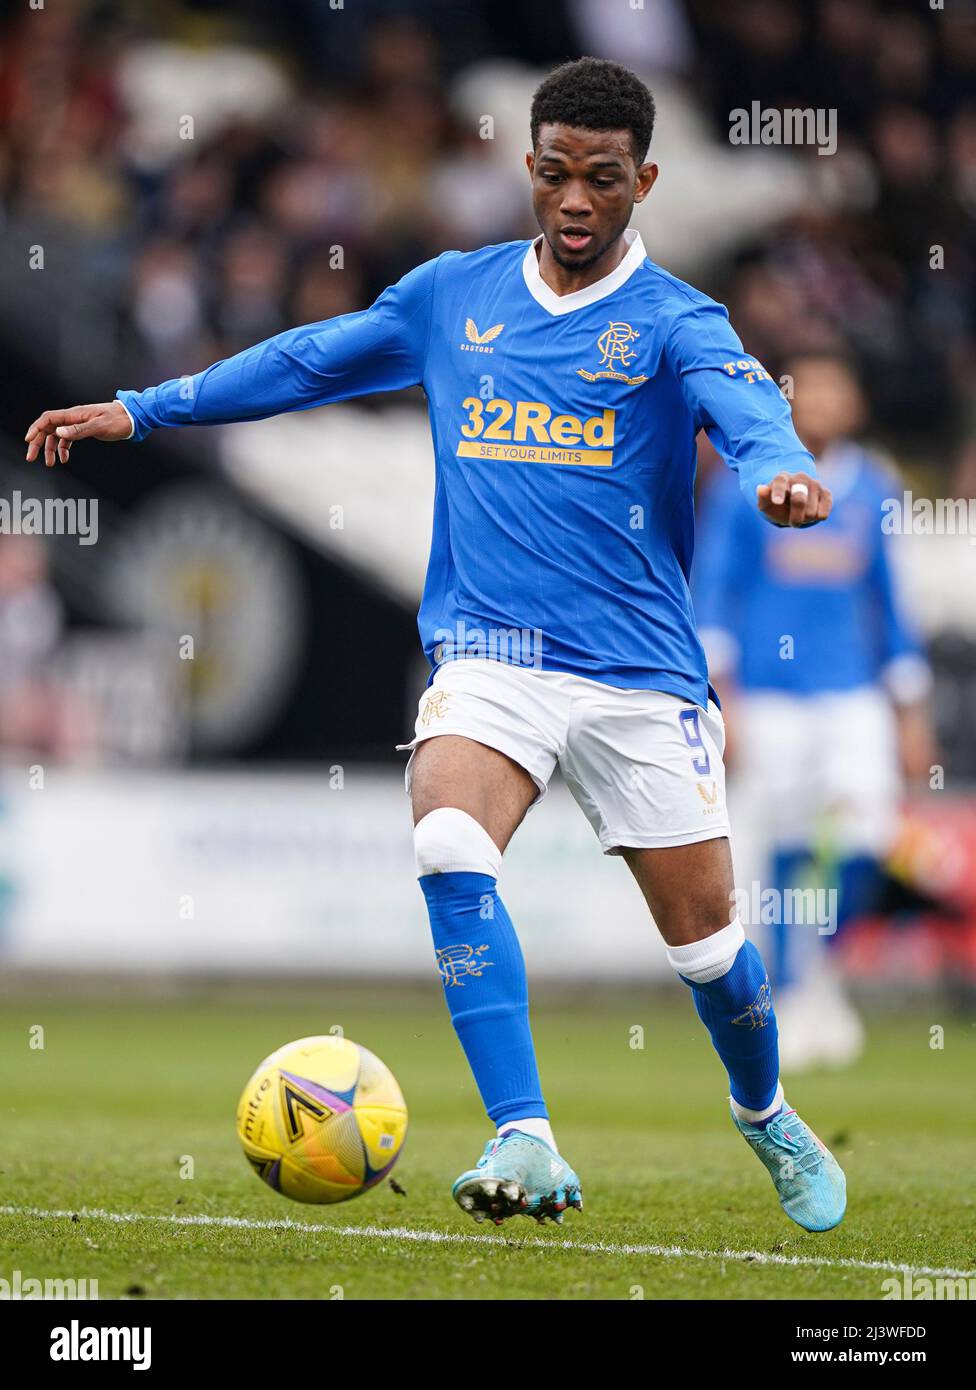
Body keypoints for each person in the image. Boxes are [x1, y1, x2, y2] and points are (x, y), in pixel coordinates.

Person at [24, 57, 845, 1232]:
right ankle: (525, 1133)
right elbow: (311, 358)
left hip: (635, 673)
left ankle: (764, 1111)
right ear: (528, 168)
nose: (573, 200)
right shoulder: (454, 296)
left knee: (710, 952)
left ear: (644, 180)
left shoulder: (675, 321)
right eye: (554, 173)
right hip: (491, 656)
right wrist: (148, 407)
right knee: (450, 837)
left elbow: (749, 410)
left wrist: (779, 476)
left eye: (602, 180)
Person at [695, 350, 935, 1070]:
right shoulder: (745, 484)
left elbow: (891, 604)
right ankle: (790, 993)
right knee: (775, 844)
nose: (824, 401)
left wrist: (910, 710)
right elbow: (714, 592)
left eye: (838, 386)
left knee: (868, 834)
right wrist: (722, 697)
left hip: (853, 694)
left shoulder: (874, 487)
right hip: (768, 697)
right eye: (811, 389)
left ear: (854, 403)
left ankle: (819, 974)